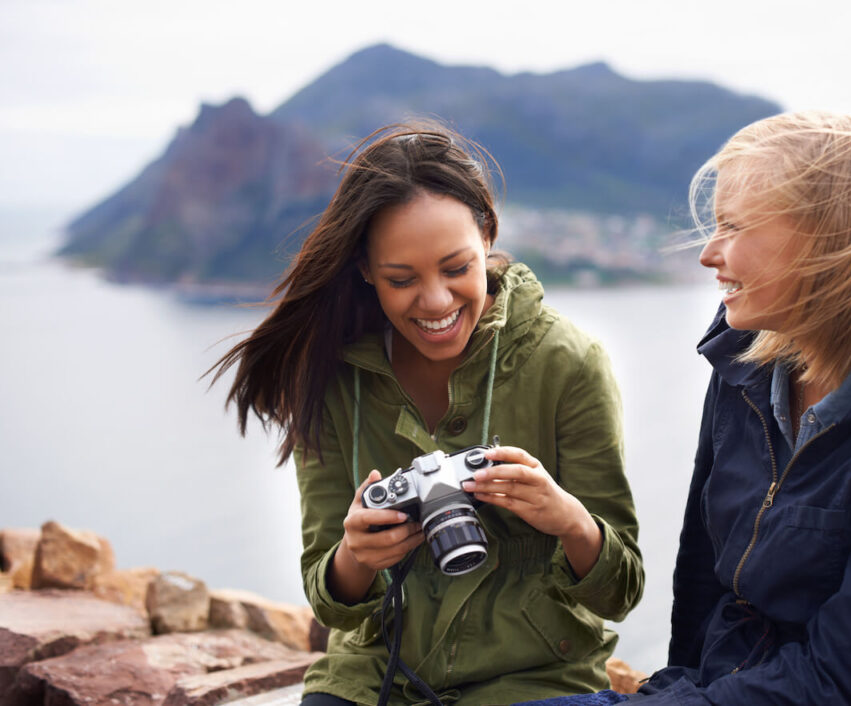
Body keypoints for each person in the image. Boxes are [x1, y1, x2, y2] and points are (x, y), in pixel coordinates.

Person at [517, 111, 851, 705]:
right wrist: (672, 688)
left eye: (732, 226)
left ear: (827, 242)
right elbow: (701, 575)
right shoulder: (743, 366)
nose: (708, 254)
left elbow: (841, 683)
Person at [210, 121, 644, 705]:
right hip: (375, 676)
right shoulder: (332, 378)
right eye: (401, 279)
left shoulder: (569, 364)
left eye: (456, 268)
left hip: (534, 678)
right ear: (366, 270)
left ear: (487, 235)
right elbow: (328, 597)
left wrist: (567, 518)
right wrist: (356, 555)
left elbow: (620, 591)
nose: (436, 301)